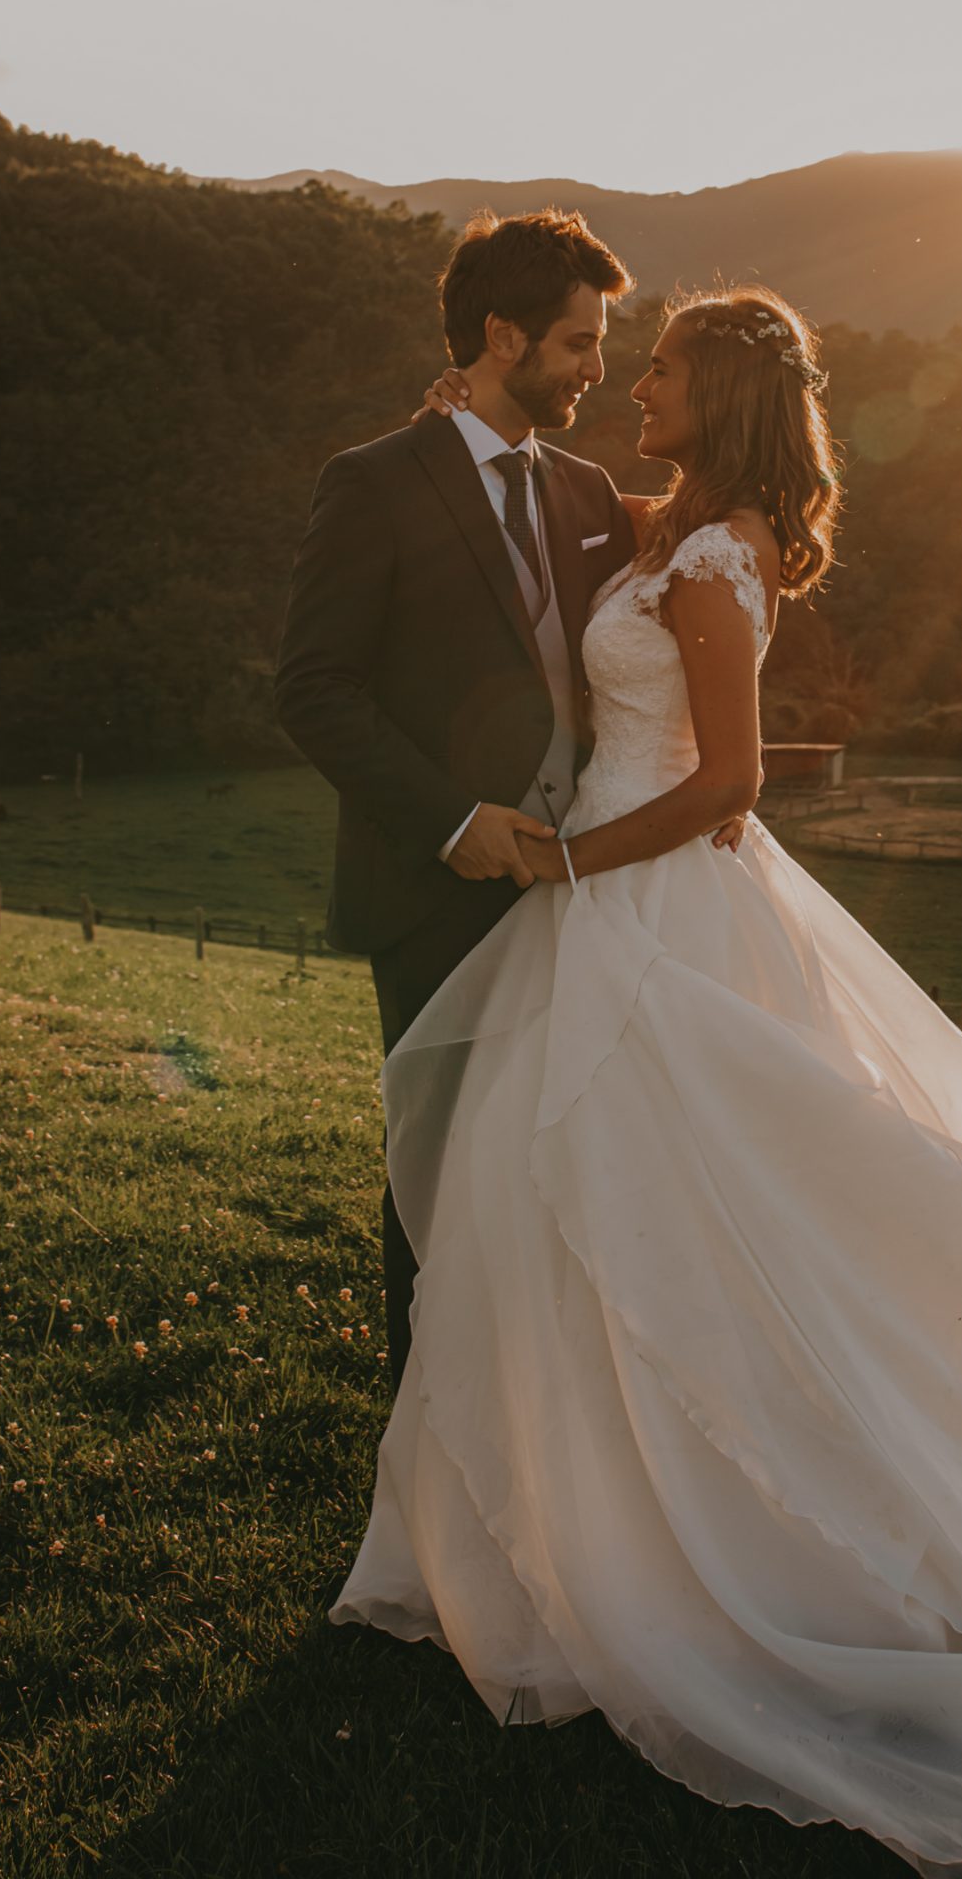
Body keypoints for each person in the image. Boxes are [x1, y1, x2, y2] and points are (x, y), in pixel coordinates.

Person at [329, 286, 962, 1877]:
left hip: (646, 896)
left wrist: (563, 856)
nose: (634, 390)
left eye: (663, 372)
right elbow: (525, 488)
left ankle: (709, 1556)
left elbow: (729, 781)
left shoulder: (716, 552)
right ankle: (565, 1532)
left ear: (727, 400)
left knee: (664, 1220)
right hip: (607, 909)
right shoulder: (659, 518)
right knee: (557, 1214)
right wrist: (457, 411)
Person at [274, 208, 640, 1390]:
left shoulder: (588, 493)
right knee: (435, 1182)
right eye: (580, 344)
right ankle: (426, 1449)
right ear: (502, 335)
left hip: (579, 894)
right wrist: (450, 821)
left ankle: (545, 1424)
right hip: (433, 896)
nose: (598, 368)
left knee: (564, 1168)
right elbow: (314, 691)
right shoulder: (374, 482)